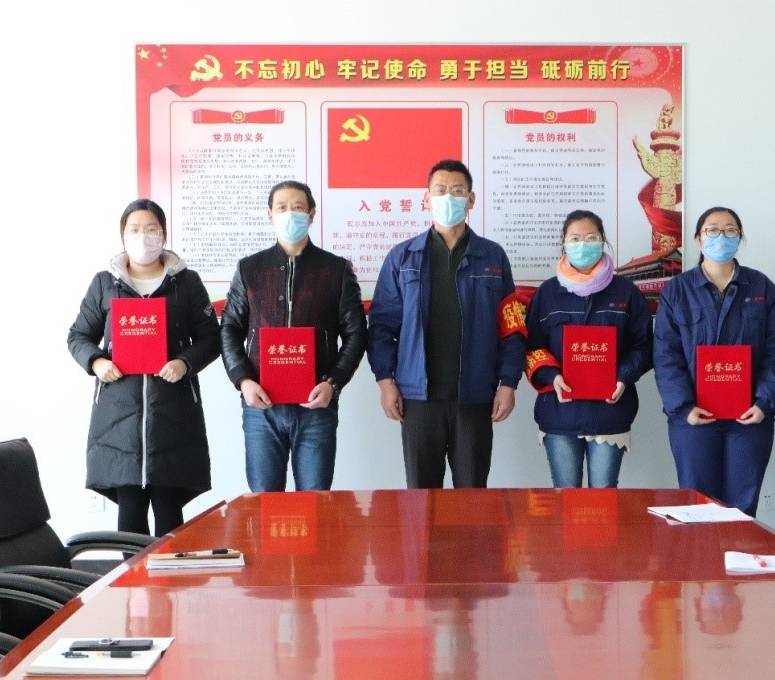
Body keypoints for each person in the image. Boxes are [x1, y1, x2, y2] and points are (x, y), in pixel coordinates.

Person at [367, 159, 525, 488]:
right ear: (426, 199)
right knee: (421, 497)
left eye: (457, 191)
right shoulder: (403, 257)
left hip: (475, 396)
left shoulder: (493, 257)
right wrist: (385, 382)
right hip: (417, 398)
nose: (448, 198)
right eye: (440, 191)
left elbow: (511, 328)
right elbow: (381, 327)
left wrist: (508, 383)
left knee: (472, 495)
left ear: (471, 199)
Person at [67, 199, 220, 536]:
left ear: (163, 233)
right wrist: (97, 361)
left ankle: (171, 572)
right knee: (130, 508)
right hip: (118, 416)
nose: (143, 237)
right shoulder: (105, 283)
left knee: (168, 506)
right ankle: (130, 573)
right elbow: (78, 336)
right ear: (122, 236)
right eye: (135, 230)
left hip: (173, 412)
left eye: (151, 229)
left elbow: (211, 338)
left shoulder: (186, 283)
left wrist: (184, 363)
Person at [220, 180, 367, 492]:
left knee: (315, 502)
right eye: (282, 208)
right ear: (269, 215)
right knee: (264, 502)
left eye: (298, 208)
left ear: (311, 215)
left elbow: (355, 333)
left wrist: (333, 383)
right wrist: (243, 380)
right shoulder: (249, 269)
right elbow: (230, 328)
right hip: (261, 405)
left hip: (316, 404)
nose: (290, 214)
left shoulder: (336, 270)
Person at [653, 207, 775, 516]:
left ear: (739, 238)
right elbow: (666, 355)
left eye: (730, 230)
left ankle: (738, 551)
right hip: (693, 421)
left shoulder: (762, 288)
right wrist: (683, 407)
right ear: (698, 239)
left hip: (749, 419)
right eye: (712, 230)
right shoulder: (677, 291)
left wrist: (764, 403)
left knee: (741, 510)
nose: (721, 236)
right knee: (697, 506)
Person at [523, 210, 653, 487]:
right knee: (565, 495)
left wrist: (623, 376)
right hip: (559, 412)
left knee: (603, 498)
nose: (583, 245)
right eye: (575, 238)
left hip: (609, 412)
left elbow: (644, 346)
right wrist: (551, 376)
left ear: (603, 240)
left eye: (591, 238)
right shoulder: (547, 293)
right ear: (564, 243)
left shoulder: (626, 292)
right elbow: (532, 347)